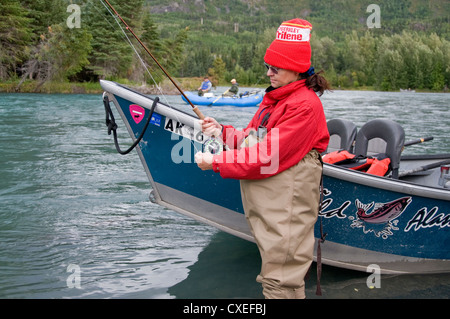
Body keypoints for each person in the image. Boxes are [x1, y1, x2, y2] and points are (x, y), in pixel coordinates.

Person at [194, 19, 330, 299]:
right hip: (271, 208)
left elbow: (266, 156)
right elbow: (252, 140)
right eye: (267, 66)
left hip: (286, 207)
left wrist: (216, 162)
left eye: (275, 68)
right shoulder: (277, 99)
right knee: (276, 275)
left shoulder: (304, 106)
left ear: (295, 69)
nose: (268, 72)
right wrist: (221, 132)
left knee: (281, 281)